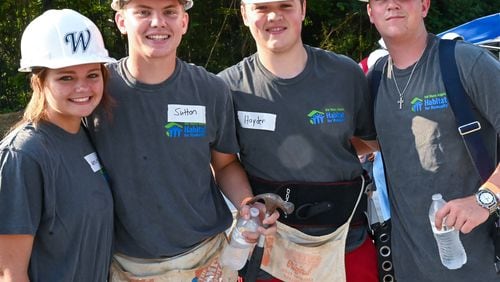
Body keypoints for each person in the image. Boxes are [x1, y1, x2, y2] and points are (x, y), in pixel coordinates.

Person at [86, 0, 278, 281]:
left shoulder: (210, 89)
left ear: (184, 23)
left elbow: (224, 166)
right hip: (129, 266)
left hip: (207, 258)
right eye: (143, 11)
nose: (157, 22)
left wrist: (247, 204)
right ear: (121, 22)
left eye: (169, 12)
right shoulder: (96, 93)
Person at [218, 0, 379, 281]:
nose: (273, 16)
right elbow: (224, 164)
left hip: (347, 243)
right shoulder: (227, 87)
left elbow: (368, 142)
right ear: (244, 13)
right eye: (261, 7)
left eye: (285, 5)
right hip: (270, 252)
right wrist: (248, 204)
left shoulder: (345, 74)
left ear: (303, 9)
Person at [361, 0, 500, 280]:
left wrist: (485, 198)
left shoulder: (465, 61)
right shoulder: (374, 79)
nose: (392, 4)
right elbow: (362, 146)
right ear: (371, 12)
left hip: (481, 266)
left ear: (424, 6)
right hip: (407, 269)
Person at [0, 9, 115, 281]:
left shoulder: (86, 134)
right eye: (66, 77)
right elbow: (9, 273)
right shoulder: (24, 155)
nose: (83, 87)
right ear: (39, 82)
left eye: (92, 75)